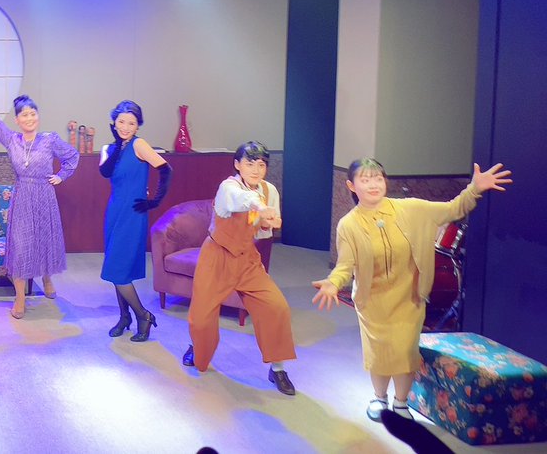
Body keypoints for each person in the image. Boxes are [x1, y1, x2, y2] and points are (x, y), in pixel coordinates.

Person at [312, 158, 512, 421]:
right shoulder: (348, 224)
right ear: (351, 185)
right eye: (365, 179)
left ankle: (401, 402)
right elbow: (345, 265)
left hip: (410, 296)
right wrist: (333, 282)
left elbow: (453, 209)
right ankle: (379, 398)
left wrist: (475, 188)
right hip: (373, 302)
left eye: (378, 178)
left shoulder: (411, 208)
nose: (373, 185)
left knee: (406, 351)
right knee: (380, 353)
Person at [182, 142, 297, 396]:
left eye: (261, 165)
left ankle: (278, 369)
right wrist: (260, 208)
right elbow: (242, 200)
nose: (256, 170)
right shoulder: (228, 187)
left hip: (247, 258)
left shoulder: (270, 190)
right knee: (201, 317)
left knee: (276, 307)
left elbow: (264, 228)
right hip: (216, 255)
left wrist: (268, 221)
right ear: (237, 165)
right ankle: (197, 348)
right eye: (249, 164)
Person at [0, 80, 79, 318]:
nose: (29, 118)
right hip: (23, 196)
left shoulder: (49, 139)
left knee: (45, 241)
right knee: (21, 248)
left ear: (38, 116)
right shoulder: (11, 140)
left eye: (33, 113)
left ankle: (47, 278)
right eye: (24, 115)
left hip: (44, 195)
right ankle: (20, 297)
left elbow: (72, 156)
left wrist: (61, 176)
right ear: (17, 120)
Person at [99, 100, 171, 342]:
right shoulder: (108, 149)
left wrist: (155, 201)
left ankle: (143, 315)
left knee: (118, 270)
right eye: (121, 122)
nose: (125, 127)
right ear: (113, 123)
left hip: (133, 213)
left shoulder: (140, 145)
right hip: (114, 212)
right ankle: (124, 317)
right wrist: (118, 145)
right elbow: (105, 172)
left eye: (131, 123)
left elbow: (166, 170)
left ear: (137, 126)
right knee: (117, 269)